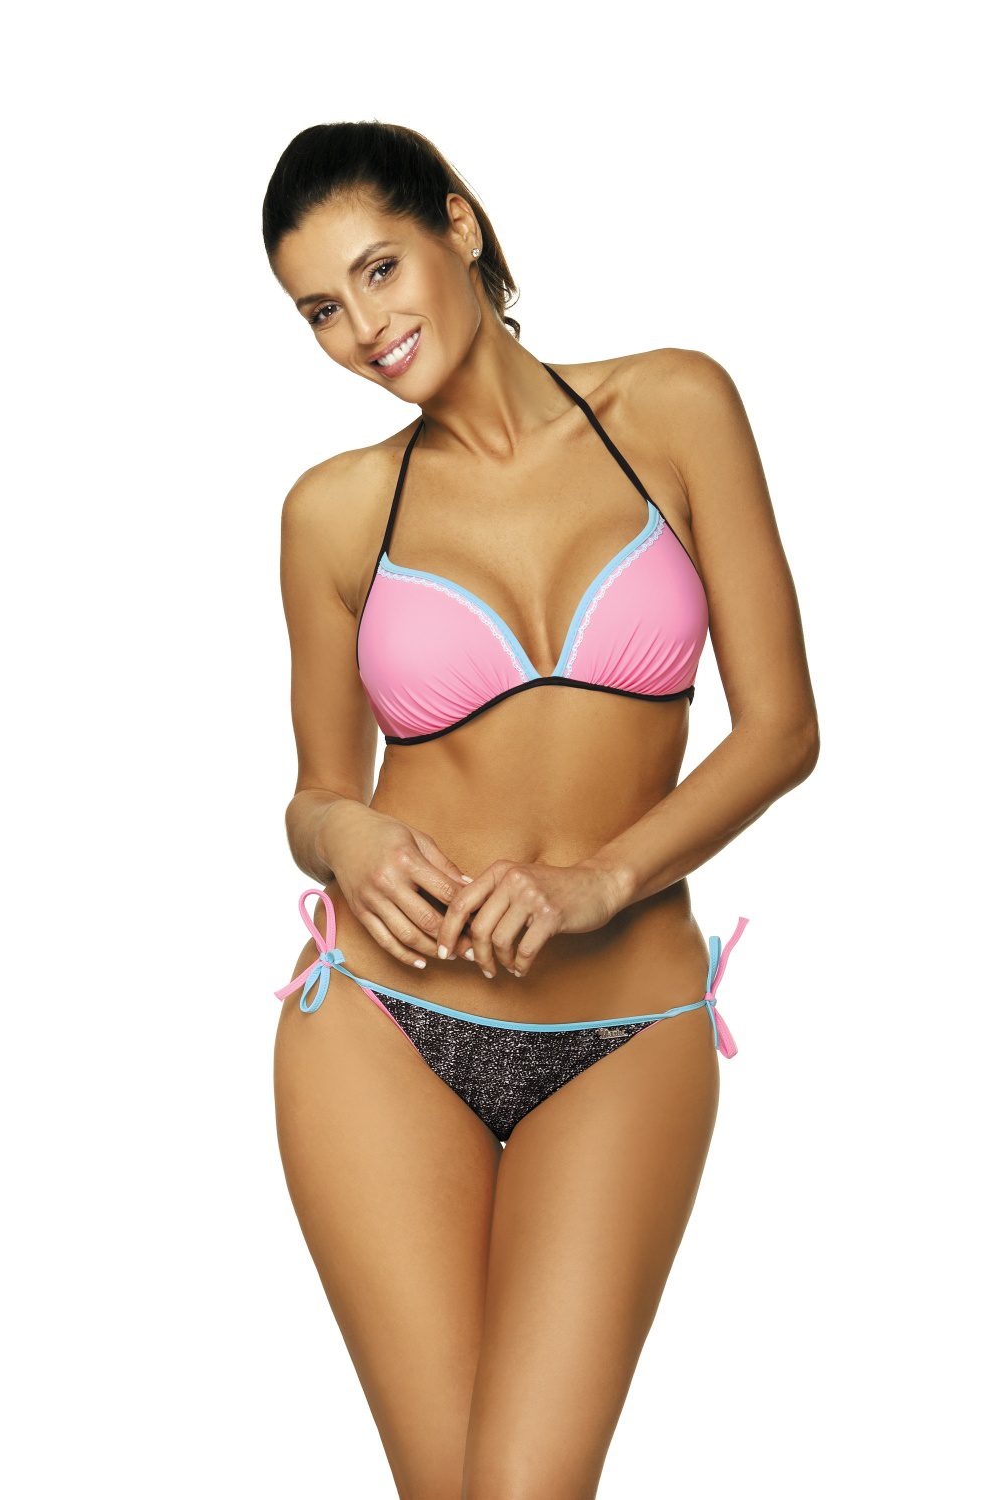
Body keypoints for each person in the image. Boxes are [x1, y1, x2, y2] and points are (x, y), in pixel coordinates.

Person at [263, 119, 819, 1500]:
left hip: (627, 1024)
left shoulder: (675, 407)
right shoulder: (334, 512)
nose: (363, 329)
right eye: (320, 309)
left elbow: (783, 732)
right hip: (383, 1020)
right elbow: (317, 795)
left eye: (379, 269)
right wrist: (348, 837)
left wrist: (601, 882)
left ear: (458, 224)